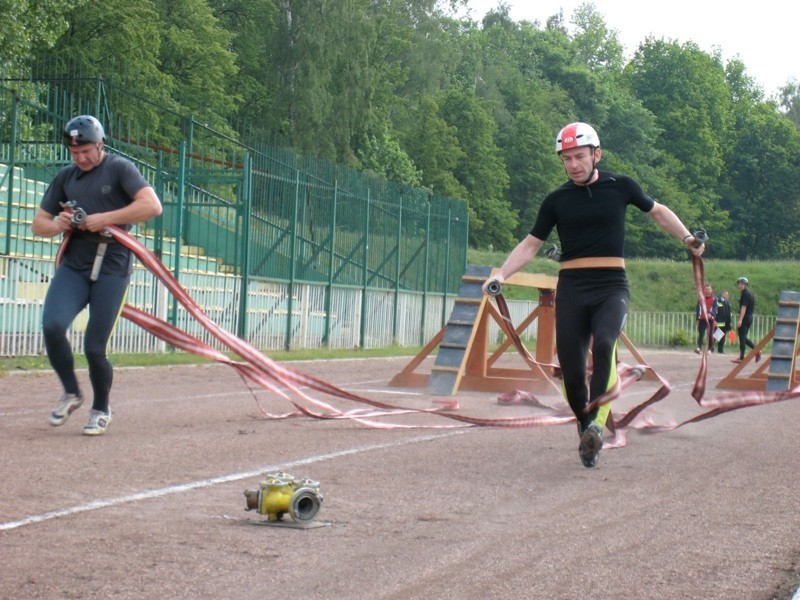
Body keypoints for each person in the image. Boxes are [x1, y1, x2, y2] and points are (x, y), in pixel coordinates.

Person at [482, 122, 705, 468]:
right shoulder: (556, 200)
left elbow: (658, 213)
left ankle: (596, 429)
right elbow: (530, 244)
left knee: (604, 346)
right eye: (567, 158)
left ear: (596, 155)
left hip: (611, 286)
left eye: (580, 156)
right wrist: (500, 273)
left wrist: (688, 239)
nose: (573, 164)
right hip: (572, 288)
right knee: (571, 374)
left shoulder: (621, 186)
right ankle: (586, 430)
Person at [31, 115, 163, 435]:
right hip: (75, 264)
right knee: (52, 325)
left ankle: (101, 408)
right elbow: (39, 224)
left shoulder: (119, 169)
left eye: (87, 151)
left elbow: (152, 206)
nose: (81, 158)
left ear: (100, 144)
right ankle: (72, 393)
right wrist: (59, 225)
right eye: (75, 153)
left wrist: (106, 218)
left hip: (113, 267)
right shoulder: (66, 176)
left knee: (94, 346)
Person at [733, 276, 759, 364]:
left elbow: (744, 307)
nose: (740, 286)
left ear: (746, 285)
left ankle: (742, 357)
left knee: (742, 338)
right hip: (749, 317)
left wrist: (740, 320)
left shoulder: (745, 294)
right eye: (739, 284)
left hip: (745, 318)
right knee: (743, 337)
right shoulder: (749, 293)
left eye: (742, 284)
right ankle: (756, 350)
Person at [694, 283, 718, 354]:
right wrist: (698, 318)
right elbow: (698, 309)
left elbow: (715, 308)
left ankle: (710, 348)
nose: (707, 291)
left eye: (709, 289)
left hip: (711, 319)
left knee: (711, 334)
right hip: (702, 318)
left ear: (711, 290)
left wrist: (711, 314)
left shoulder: (714, 299)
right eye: (706, 289)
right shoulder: (701, 298)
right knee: (701, 333)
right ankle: (699, 347)